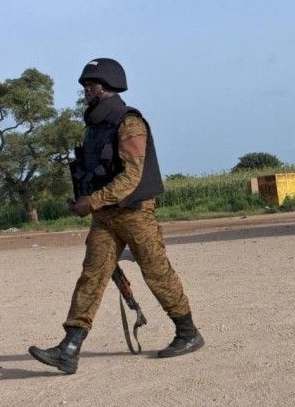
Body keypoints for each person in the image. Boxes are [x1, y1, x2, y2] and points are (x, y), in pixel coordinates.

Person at [29, 58, 204, 374]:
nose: (85, 90)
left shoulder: (129, 122)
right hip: (106, 216)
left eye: (90, 85)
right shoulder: (95, 126)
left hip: (135, 213)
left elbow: (130, 179)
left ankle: (188, 333)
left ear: (107, 86)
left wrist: (90, 202)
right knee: (92, 275)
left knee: (156, 271)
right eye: (85, 85)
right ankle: (69, 348)